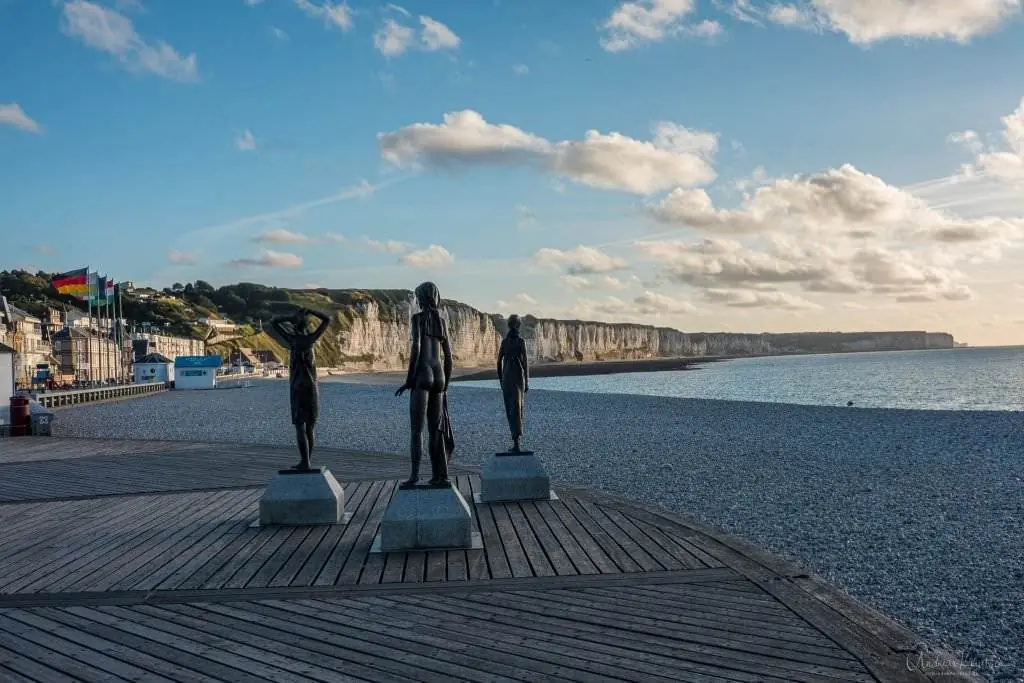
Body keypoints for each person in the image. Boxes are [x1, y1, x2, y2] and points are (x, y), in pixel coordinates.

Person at [395, 282, 455, 488]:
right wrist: (445, 384)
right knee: (435, 430)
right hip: (439, 376)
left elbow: (416, 347)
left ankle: (414, 475)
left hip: (423, 374)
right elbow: (449, 356)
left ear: (421, 298)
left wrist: (409, 379)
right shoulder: (442, 321)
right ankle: (440, 475)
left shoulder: (417, 319)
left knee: (416, 430)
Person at [270, 307, 330, 471]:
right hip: (311, 387)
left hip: (297, 386)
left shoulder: (292, 340)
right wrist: (312, 311)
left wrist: (289, 317)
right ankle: (307, 461)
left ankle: (305, 462)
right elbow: (327, 319)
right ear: (307, 325)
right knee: (310, 426)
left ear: (295, 325)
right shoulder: (311, 339)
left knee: (300, 425)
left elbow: (274, 322)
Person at [497, 314, 529, 452]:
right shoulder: (521, 341)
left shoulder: (505, 342)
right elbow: (525, 363)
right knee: (518, 408)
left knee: (510, 408)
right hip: (517, 377)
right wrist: (527, 381)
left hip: (507, 378)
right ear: (517, 325)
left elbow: (498, 362)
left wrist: (501, 379)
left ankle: (515, 440)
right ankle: (517, 441)